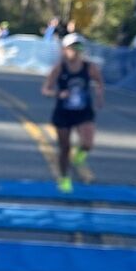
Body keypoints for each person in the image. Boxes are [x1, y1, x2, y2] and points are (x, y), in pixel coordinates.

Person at [41, 33, 105, 193]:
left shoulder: (89, 67)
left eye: (79, 48)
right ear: (64, 50)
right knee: (65, 147)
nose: (75, 52)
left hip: (83, 110)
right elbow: (45, 89)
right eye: (72, 48)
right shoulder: (59, 68)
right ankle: (64, 178)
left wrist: (99, 95)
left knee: (88, 143)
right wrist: (58, 93)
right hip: (64, 112)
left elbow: (99, 82)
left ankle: (79, 156)